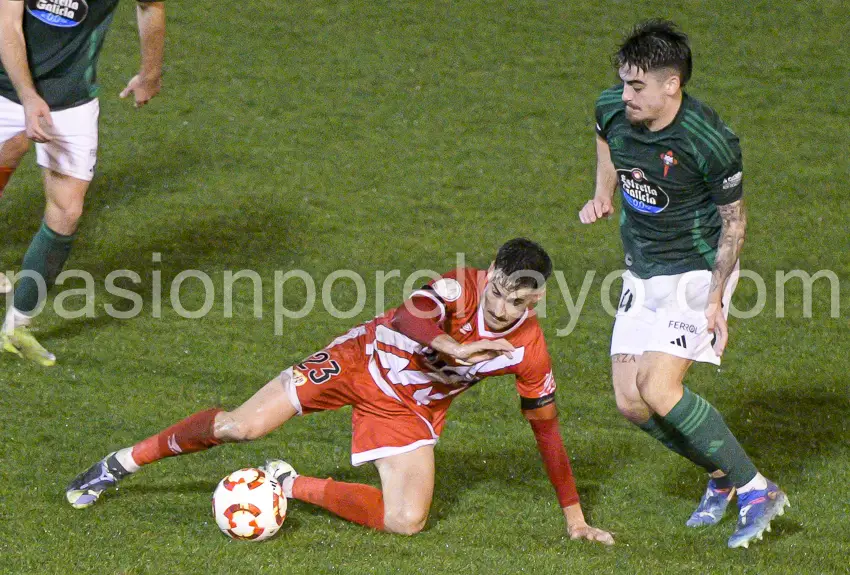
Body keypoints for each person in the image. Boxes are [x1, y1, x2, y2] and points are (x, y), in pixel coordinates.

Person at [66, 238, 614, 544]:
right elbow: (408, 317)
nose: (500, 309)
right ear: (490, 272)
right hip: (357, 361)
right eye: (497, 292)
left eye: (515, 304)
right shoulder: (456, 286)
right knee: (241, 426)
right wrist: (455, 348)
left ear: (534, 303)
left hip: (406, 412)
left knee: (406, 522)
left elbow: (546, 429)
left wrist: (575, 518)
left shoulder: (529, 350)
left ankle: (287, 482)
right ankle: (120, 464)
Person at [579, 20, 788, 549]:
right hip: (642, 268)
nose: (624, 95)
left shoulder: (708, 140)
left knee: (659, 386)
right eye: (623, 83)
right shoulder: (613, 107)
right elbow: (604, 139)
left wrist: (716, 299)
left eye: (637, 86)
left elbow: (735, 223)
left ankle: (758, 489)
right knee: (630, 402)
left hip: (697, 268)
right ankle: (721, 474)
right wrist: (603, 191)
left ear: (671, 84)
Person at [0, 0, 166, 366]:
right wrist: (28, 98)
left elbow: (150, 6)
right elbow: (7, 22)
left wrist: (150, 72)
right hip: (5, 90)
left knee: (67, 212)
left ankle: (16, 326)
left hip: (72, 102)